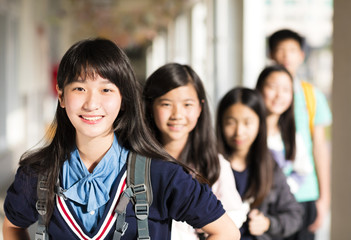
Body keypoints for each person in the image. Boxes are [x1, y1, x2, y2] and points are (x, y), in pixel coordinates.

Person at [2, 38, 240, 240]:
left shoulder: (162, 175)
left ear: (123, 99)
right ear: (61, 96)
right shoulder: (37, 173)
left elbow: (226, 231)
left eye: (106, 90)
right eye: (79, 89)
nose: (92, 104)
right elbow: (12, 226)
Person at [143, 63, 246, 240]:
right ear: (150, 107)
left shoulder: (214, 164)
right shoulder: (136, 162)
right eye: (166, 104)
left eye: (187, 104)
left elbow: (234, 216)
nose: (177, 114)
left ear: (200, 107)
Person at [268, 29, 332, 239]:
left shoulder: (312, 96)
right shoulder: (261, 95)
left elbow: (319, 148)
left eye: (292, 50)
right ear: (271, 54)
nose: (286, 56)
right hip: (270, 195)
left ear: (301, 55)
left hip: (305, 194)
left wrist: (324, 198)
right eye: (280, 50)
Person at [216, 87, 303, 240]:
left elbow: (294, 214)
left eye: (247, 123)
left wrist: (268, 223)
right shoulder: (210, 164)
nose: (239, 132)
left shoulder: (269, 164)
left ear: (260, 124)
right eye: (230, 123)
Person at [255, 65, 312, 194]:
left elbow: (303, 171)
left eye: (286, 90)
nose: (279, 95)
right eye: (272, 87)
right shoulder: (247, 132)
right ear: (259, 88)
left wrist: (282, 192)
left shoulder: (290, 135)